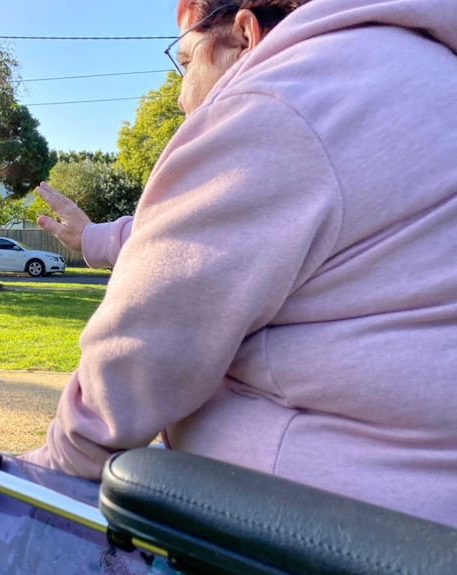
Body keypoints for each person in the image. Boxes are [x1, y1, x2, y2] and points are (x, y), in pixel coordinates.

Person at [24, 0, 457, 529]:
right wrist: (94, 238)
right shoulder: (412, 75)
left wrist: (47, 477)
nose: (183, 98)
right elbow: (207, 231)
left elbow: (143, 351)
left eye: (184, 62)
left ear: (245, 35)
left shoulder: (282, 97)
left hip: (314, 531)